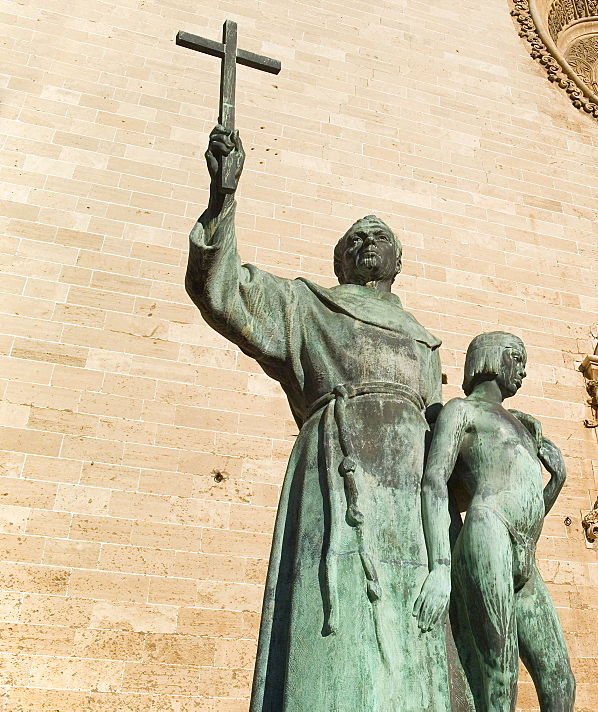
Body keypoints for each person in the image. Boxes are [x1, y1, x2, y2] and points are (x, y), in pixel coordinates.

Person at [187, 126, 449, 710]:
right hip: (337, 470)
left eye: (376, 237)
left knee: (413, 639)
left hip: (410, 496)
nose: (363, 243)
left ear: (397, 261)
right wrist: (222, 198)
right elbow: (221, 290)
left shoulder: (427, 345)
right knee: (335, 625)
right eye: (353, 239)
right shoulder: (307, 304)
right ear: (341, 260)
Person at [413, 332, 575, 712]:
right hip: (489, 531)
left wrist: (558, 480)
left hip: (524, 550)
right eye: (516, 358)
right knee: (500, 673)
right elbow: (434, 480)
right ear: (489, 359)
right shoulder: (462, 410)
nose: (523, 369)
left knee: (560, 680)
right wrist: (440, 566)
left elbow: (532, 508)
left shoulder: (523, 425)